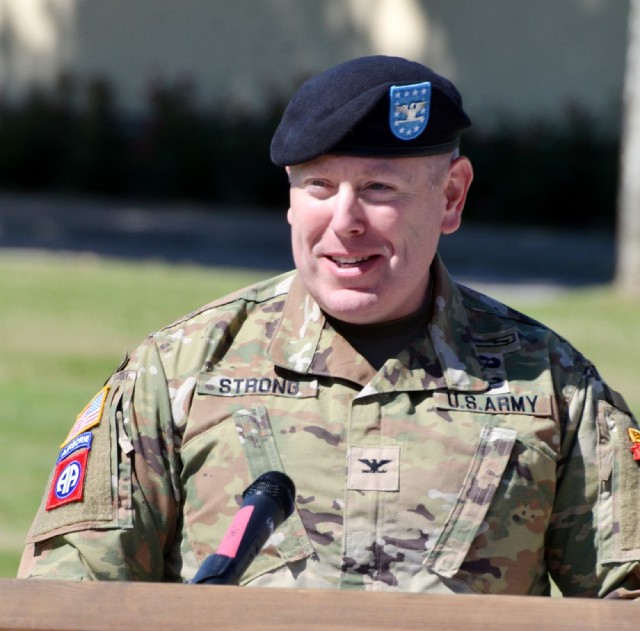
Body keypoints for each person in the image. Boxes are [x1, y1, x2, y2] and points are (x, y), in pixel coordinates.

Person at [18, 55, 640, 596]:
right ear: (289, 199)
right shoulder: (181, 372)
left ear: (451, 196)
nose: (345, 221)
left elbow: (627, 606)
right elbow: (69, 600)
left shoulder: (553, 386)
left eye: (378, 188)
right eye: (319, 186)